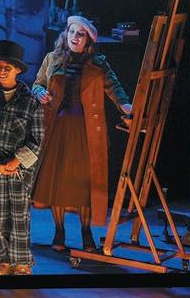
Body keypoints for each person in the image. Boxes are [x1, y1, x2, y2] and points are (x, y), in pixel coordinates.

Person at [31, 16, 132, 253]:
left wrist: (125, 106)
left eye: (80, 34)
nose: (74, 37)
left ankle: (86, 233)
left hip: (84, 129)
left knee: (84, 184)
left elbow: (114, 87)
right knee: (57, 183)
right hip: (57, 127)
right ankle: (59, 231)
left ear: (88, 40)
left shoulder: (98, 63)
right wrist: (40, 92)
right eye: (71, 32)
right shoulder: (52, 58)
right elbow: (38, 83)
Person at [0, 40, 43, 276]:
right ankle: (3, 261)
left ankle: (22, 262)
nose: (1, 71)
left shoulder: (30, 101)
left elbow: (37, 139)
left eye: (7, 67)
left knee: (19, 215)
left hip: (20, 170)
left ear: (18, 69)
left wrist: (16, 161)